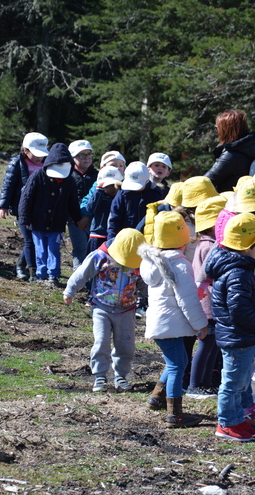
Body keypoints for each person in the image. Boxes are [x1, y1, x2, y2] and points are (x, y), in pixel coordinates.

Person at [139, 211, 208, 428]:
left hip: (160, 323)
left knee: (176, 362)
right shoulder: (179, 265)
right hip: (170, 324)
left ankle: (156, 398)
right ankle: (175, 415)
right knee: (178, 364)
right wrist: (201, 324)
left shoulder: (152, 262)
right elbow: (187, 300)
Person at [206, 213, 255, 441]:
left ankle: (237, 419)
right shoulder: (238, 274)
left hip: (242, 336)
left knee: (241, 382)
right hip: (238, 337)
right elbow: (239, 309)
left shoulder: (238, 269)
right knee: (232, 383)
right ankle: (226, 423)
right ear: (247, 246)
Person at [64, 228, 145, 393]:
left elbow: (143, 283)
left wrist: (153, 298)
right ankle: (100, 375)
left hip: (127, 309)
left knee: (126, 345)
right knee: (101, 341)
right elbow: (82, 273)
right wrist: (70, 290)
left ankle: (121, 376)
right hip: (101, 306)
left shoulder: (140, 262)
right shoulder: (100, 256)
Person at [18, 143, 83, 284]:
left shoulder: (70, 181)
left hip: (57, 224)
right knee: (40, 250)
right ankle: (41, 274)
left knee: (54, 249)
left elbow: (73, 202)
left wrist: (78, 219)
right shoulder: (37, 176)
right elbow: (26, 198)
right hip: (37, 222)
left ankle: (53, 275)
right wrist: (24, 217)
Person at [186, 195, 227, 399]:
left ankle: (204, 383)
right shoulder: (210, 246)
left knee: (212, 344)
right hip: (208, 305)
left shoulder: (206, 243)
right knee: (205, 344)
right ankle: (195, 384)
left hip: (208, 304)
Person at [0, 132, 49, 280]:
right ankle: (29, 270)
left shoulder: (46, 164)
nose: (39, 157)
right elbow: (8, 185)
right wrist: (3, 205)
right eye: (36, 154)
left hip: (40, 208)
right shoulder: (17, 164)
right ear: (25, 150)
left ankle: (20, 263)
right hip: (23, 207)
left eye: (42, 154)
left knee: (36, 239)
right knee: (29, 240)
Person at [204, 109, 255, 193]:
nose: (217, 131)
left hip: (230, 201)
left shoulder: (232, 155)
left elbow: (205, 181)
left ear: (227, 130)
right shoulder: (253, 147)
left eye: (218, 128)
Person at [107, 162, 165, 242]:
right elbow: (114, 219)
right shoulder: (123, 194)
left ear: (147, 180)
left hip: (149, 239)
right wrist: (111, 241)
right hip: (125, 239)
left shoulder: (156, 194)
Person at [67, 140, 96, 269]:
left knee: (93, 248)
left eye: (89, 154)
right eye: (81, 155)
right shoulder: (67, 175)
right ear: (72, 157)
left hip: (94, 218)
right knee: (80, 248)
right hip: (74, 219)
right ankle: (78, 280)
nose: (86, 158)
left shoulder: (98, 175)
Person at [84, 167, 123, 254]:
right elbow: (90, 208)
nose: (111, 189)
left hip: (114, 234)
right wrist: (99, 191)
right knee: (94, 261)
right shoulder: (98, 194)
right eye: (107, 186)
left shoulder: (121, 197)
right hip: (98, 234)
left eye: (114, 186)